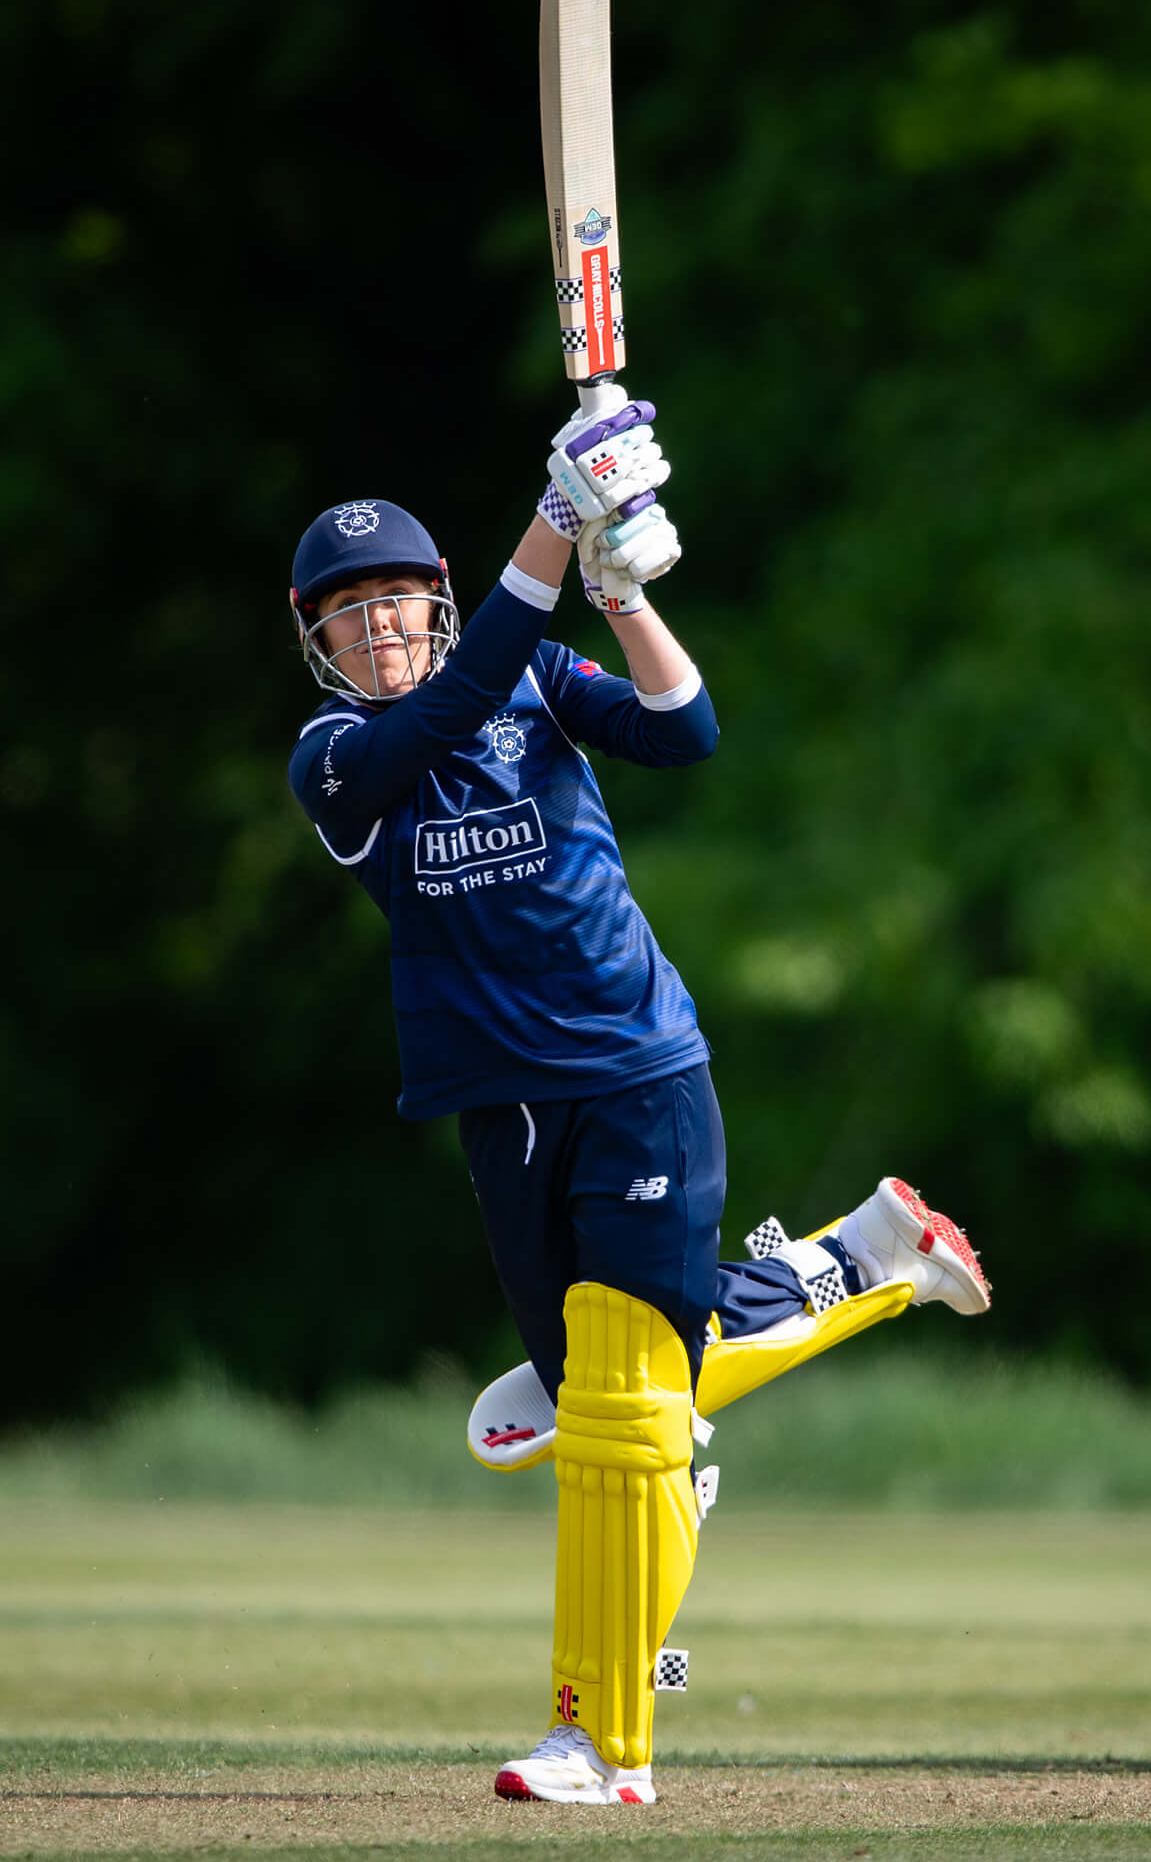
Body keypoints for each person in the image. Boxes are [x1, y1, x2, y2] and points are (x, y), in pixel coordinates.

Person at [286, 396, 993, 1807]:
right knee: (611, 1394)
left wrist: (616, 590)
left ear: (437, 597)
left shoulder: (542, 675)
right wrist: (557, 519)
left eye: (396, 600)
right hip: (501, 1105)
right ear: (317, 638)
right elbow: (449, 707)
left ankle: (602, 1743)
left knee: (618, 1420)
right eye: (347, 613)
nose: (377, 628)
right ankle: (857, 1265)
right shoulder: (336, 759)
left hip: (636, 1070)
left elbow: (686, 729)